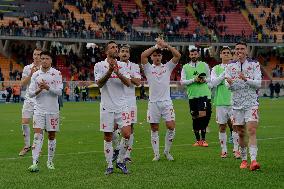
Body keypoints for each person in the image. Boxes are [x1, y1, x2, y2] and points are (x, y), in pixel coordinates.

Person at [94, 41, 132, 175]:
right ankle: (109, 165)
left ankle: (120, 161)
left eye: (116, 47)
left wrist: (118, 72)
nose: (116, 49)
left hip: (122, 105)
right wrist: (110, 71)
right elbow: (99, 84)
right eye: (112, 47)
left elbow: (128, 83)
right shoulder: (99, 65)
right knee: (108, 136)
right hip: (106, 106)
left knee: (127, 134)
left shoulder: (123, 65)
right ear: (106, 51)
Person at [141, 38, 181, 161]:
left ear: (161, 56)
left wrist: (166, 45)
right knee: (154, 128)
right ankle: (156, 154)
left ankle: (167, 152)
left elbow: (178, 55)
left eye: (158, 55)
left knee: (171, 126)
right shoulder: (148, 68)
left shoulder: (167, 67)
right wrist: (156, 46)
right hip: (153, 103)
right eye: (154, 56)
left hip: (166, 102)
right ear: (152, 57)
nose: (157, 57)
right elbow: (143, 55)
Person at [225, 42, 262, 171]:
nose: (239, 51)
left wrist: (246, 79)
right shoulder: (230, 66)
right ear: (235, 51)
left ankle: (254, 161)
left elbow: (258, 84)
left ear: (247, 51)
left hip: (251, 103)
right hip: (236, 105)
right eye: (237, 49)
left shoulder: (254, 64)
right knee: (240, 133)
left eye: (242, 49)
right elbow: (228, 86)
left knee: (251, 130)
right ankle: (244, 159)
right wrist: (229, 83)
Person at [27, 51, 63, 172]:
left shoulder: (56, 73)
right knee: (37, 136)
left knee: (51, 136)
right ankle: (34, 163)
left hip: (53, 110)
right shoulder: (36, 75)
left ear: (51, 60)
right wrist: (39, 89)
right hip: (39, 110)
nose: (44, 60)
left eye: (47, 58)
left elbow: (59, 92)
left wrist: (47, 87)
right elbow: (30, 93)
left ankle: (50, 161)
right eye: (42, 58)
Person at [112, 44, 141, 163]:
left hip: (130, 101)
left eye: (126, 51)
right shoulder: (113, 65)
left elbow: (138, 82)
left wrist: (125, 76)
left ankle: (127, 154)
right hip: (115, 100)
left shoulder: (134, 66)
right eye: (122, 51)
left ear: (129, 54)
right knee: (112, 127)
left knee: (131, 128)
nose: (124, 53)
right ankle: (118, 148)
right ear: (118, 53)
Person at [211, 46, 240, 158]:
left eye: (228, 52)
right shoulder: (216, 68)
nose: (226, 54)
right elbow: (213, 83)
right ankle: (224, 150)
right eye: (224, 52)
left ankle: (236, 149)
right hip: (220, 102)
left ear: (231, 55)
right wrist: (225, 73)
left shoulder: (236, 68)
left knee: (235, 126)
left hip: (234, 102)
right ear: (220, 55)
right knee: (222, 127)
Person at [180, 48, 212, 147]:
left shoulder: (204, 65)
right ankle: (198, 141)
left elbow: (210, 78)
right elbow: (182, 82)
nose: (193, 56)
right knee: (195, 117)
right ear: (189, 56)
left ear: (198, 55)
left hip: (203, 94)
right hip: (192, 96)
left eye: (195, 54)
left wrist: (204, 80)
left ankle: (204, 140)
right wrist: (194, 80)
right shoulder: (185, 67)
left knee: (202, 116)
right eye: (191, 54)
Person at [19, 48, 42, 156]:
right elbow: (23, 83)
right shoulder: (27, 68)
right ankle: (27, 146)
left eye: (38, 54)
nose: (36, 56)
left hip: (40, 100)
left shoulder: (45, 69)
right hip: (29, 98)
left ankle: (37, 146)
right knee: (24, 123)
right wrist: (31, 74)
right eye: (35, 54)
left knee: (37, 125)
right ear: (32, 56)